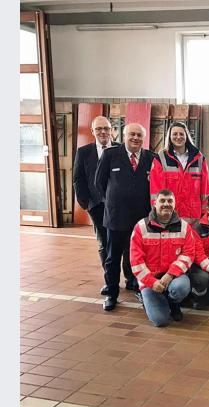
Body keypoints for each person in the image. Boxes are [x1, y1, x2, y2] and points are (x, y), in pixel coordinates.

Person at [94, 123, 156, 311]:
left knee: (139, 258)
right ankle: (112, 294)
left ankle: (140, 290)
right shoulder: (110, 155)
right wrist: (114, 201)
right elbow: (99, 183)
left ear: (143, 139)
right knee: (112, 258)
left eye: (139, 135)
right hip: (116, 218)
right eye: (132, 134)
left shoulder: (150, 158)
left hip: (140, 220)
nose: (135, 138)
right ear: (123, 135)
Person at [72, 116, 131, 296]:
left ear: (112, 130)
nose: (103, 132)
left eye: (106, 128)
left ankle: (130, 279)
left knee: (127, 243)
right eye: (98, 129)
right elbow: (78, 179)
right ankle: (110, 281)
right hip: (97, 207)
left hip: (120, 207)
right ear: (93, 132)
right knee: (104, 244)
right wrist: (87, 204)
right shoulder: (83, 152)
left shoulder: (122, 149)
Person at [129, 189, 195, 327]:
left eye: (170, 201)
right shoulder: (141, 227)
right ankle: (146, 297)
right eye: (162, 201)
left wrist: (169, 275)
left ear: (175, 204)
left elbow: (188, 255)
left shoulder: (184, 227)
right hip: (149, 279)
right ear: (155, 203)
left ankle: (173, 302)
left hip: (174, 277)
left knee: (180, 288)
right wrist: (152, 282)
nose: (166, 204)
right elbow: (136, 262)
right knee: (160, 321)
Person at [149, 122, 209, 223]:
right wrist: (157, 214)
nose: (178, 137)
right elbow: (155, 191)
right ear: (169, 137)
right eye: (175, 134)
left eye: (181, 134)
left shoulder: (199, 159)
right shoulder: (161, 159)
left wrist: (205, 214)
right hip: (170, 217)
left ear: (186, 136)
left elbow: (205, 190)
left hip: (194, 218)